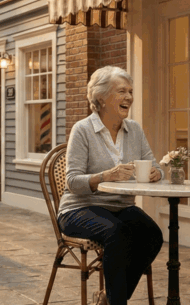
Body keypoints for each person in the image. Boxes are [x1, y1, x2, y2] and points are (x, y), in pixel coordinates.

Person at [58, 66, 164, 305]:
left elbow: (155, 165)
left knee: (152, 235)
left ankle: (109, 298)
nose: (128, 97)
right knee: (118, 233)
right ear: (101, 98)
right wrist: (106, 175)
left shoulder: (134, 129)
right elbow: (72, 182)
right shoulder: (83, 130)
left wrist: (157, 172)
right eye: (121, 91)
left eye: (130, 91)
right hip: (79, 208)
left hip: (120, 206)